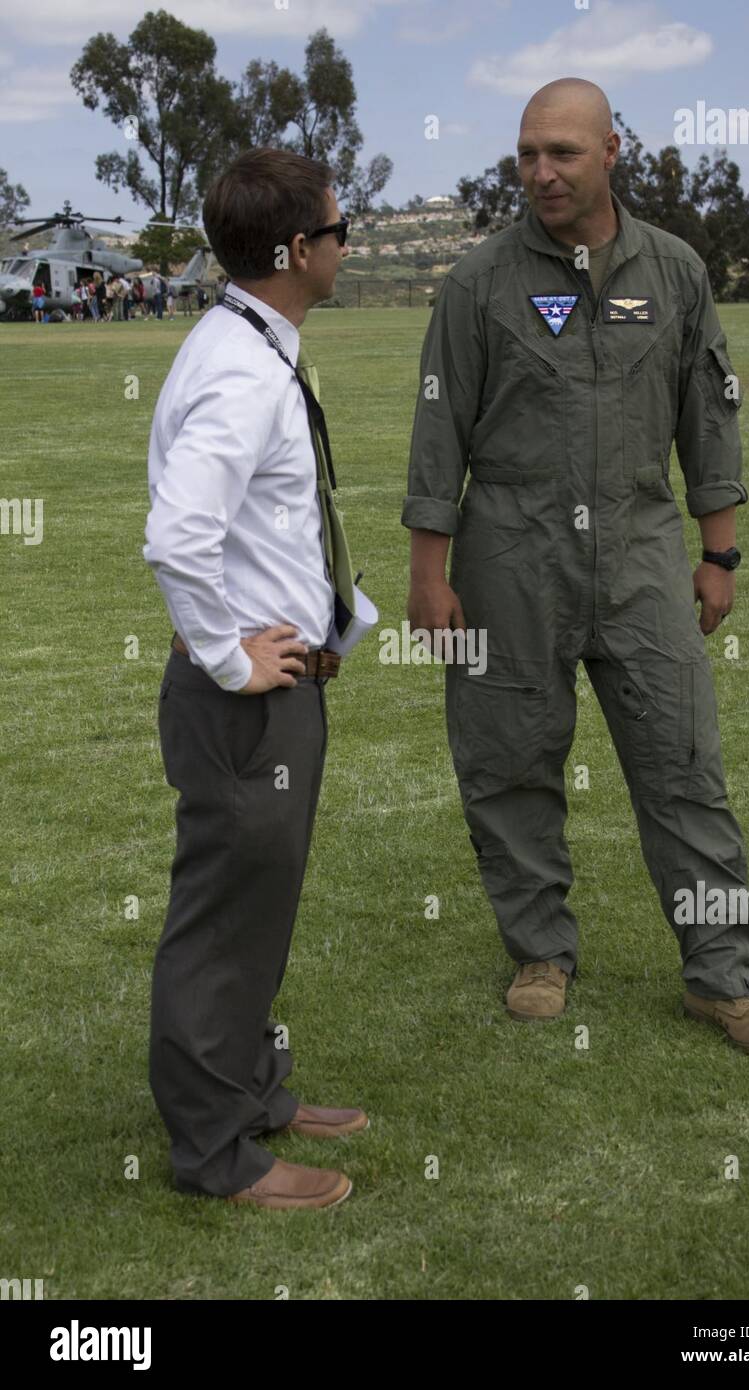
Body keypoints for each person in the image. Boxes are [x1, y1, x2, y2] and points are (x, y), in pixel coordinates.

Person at [403, 78, 749, 1053]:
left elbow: (706, 419)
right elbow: (436, 433)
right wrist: (429, 571)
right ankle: (538, 951)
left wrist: (718, 555)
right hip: (508, 560)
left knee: (683, 764)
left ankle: (721, 978)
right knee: (508, 763)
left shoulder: (671, 273)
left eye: (562, 153)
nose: (540, 171)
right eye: (527, 152)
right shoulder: (475, 286)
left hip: (637, 560)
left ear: (609, 150)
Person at [144, 146, 365, 1211]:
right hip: (245, 705)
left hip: (274, 692)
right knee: (225, 917)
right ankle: (216, 1151)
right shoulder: (239, 369)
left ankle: (252, 1093)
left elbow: (262, 530)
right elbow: (177, 536)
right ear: (294, 251)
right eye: (335, 230)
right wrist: (234, 657)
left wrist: (335, 621)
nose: (343, 245)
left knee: (257, 907)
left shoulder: (248, 344)